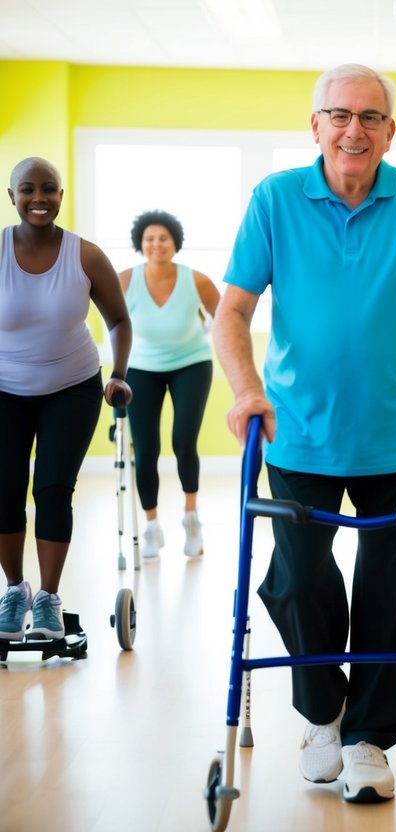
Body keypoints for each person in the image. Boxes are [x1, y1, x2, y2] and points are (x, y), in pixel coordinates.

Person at [213, 64, 396, 805]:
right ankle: (323, 709)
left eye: (369, 117)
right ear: (316, 126)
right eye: (339, 115)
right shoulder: (274, 200)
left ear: (391, 130)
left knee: (388, 586)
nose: (353, 129)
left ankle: (366, 739)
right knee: (295, 575)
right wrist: (246, 391)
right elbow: (231, 311)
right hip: (297, 427)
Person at [0, 157, 132, 642]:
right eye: (28, 189)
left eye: (49, 189)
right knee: (4, 489)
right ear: (11, 195)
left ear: (61, 195)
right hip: (4, 388)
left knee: (53, 488)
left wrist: (118, 373)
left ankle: (49, 599)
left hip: (72, 386)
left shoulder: (86, 256)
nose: (40, 198)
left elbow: (118, 320)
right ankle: (14, 591)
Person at [119, 210, 220, 559]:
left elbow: (224, 320)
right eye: (150, 238)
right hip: (142, 368)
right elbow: (114, 325)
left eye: (163, 238)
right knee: (146, 450)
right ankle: (151, 526)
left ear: (175, 242)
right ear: (140, 244)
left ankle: (191, 518)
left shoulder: (198, 280)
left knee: (183, 441)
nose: (156, 244)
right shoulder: (126, 280)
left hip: (191, 364)